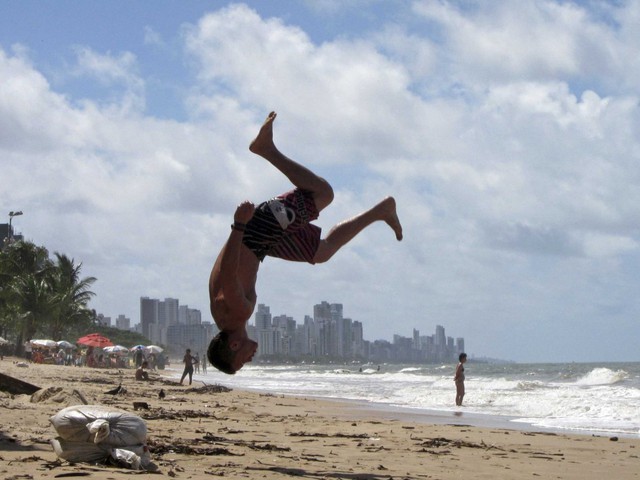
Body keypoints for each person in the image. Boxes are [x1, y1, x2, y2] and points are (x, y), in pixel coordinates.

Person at [208, 112, 403, 375]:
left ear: (233, 345)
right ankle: (381, 210)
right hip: (263, 244)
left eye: (243, 361)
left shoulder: (237, 313)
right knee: (321, 252)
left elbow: (229, 273)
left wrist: (239, 225)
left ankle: (267, 150)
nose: (249, 359)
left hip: (257, 231)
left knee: (323, 193)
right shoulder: (223, 317)